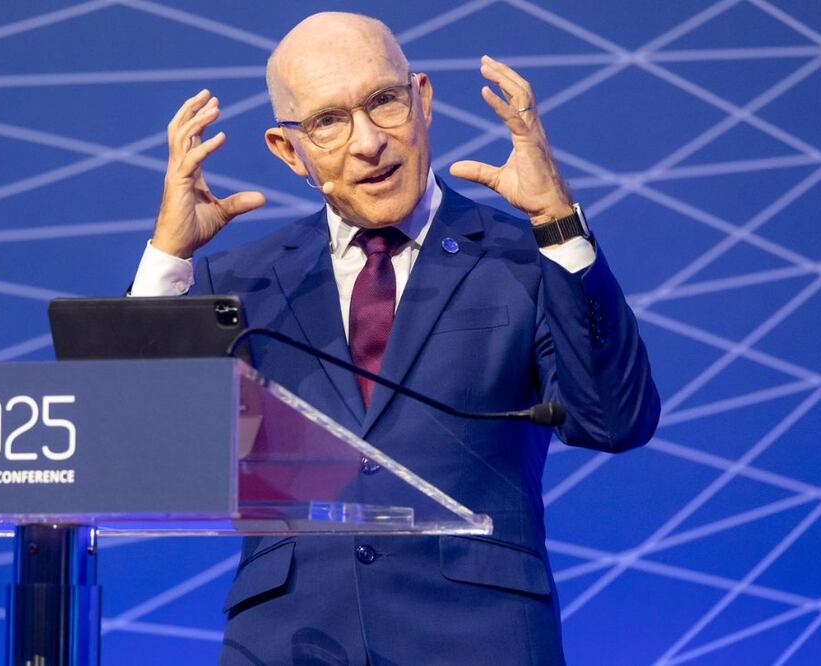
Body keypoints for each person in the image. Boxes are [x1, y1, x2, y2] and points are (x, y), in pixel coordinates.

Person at [130, 12, 659, 665]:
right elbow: (136, 456)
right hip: (287, 643)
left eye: (383, 102)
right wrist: (165, 257)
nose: (367, 143)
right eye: (327, 121)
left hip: (479, 639)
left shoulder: (522, 262)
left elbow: (614, 421)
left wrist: (557, 224)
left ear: (423, 99)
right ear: (286, 149)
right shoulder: (237, 282)